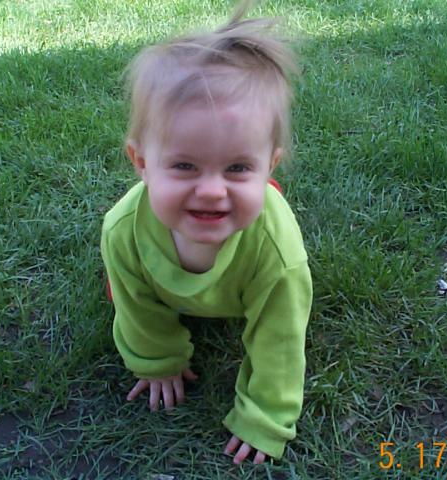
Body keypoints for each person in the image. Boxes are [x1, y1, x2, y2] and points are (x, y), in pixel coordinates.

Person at [100, 0, 312, 465]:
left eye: (237, 168)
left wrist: (266, 415)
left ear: (270, 166)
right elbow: (135, 307)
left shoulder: (277, 253)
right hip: (154, 282)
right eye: (184, 166)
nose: (212, 191)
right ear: (141, 163)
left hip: (251, 279)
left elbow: (280, 337)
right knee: (122, 291)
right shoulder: (123, 230)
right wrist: (157, 361)